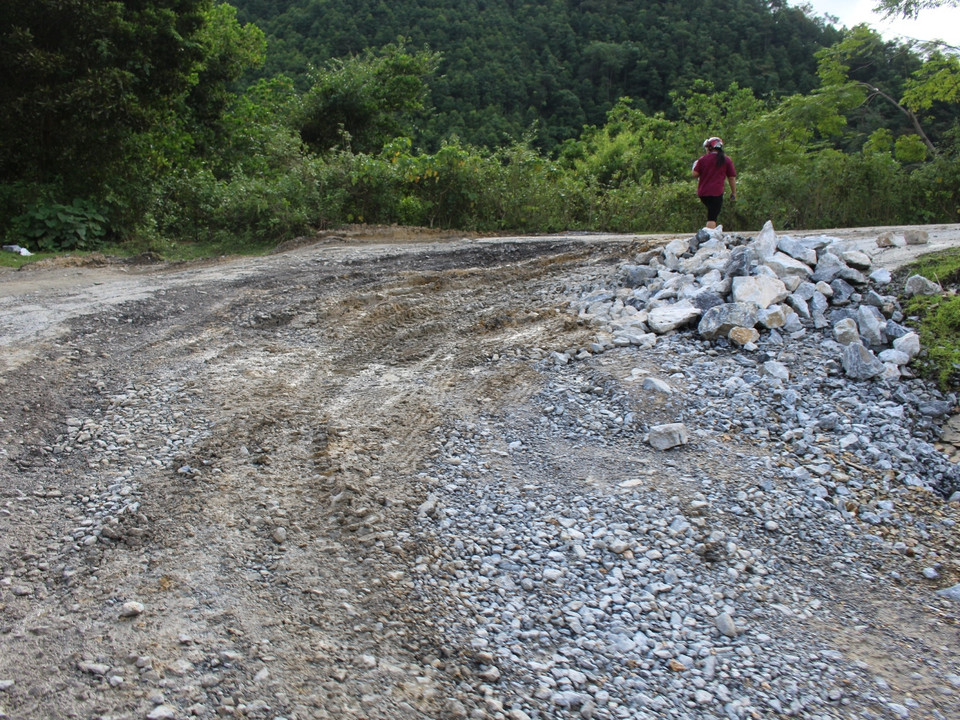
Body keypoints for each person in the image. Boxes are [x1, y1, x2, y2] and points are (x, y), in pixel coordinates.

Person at [691, 137, 736, 230]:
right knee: (712, 217)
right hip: (716, 192)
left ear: (710, 147)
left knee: (712, 212)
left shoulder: (703, 159)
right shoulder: (726, 160)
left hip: (703, 193)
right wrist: (733, 192)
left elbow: (694, 174)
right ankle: (710, 238)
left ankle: (709, 234)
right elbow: (731, 177)